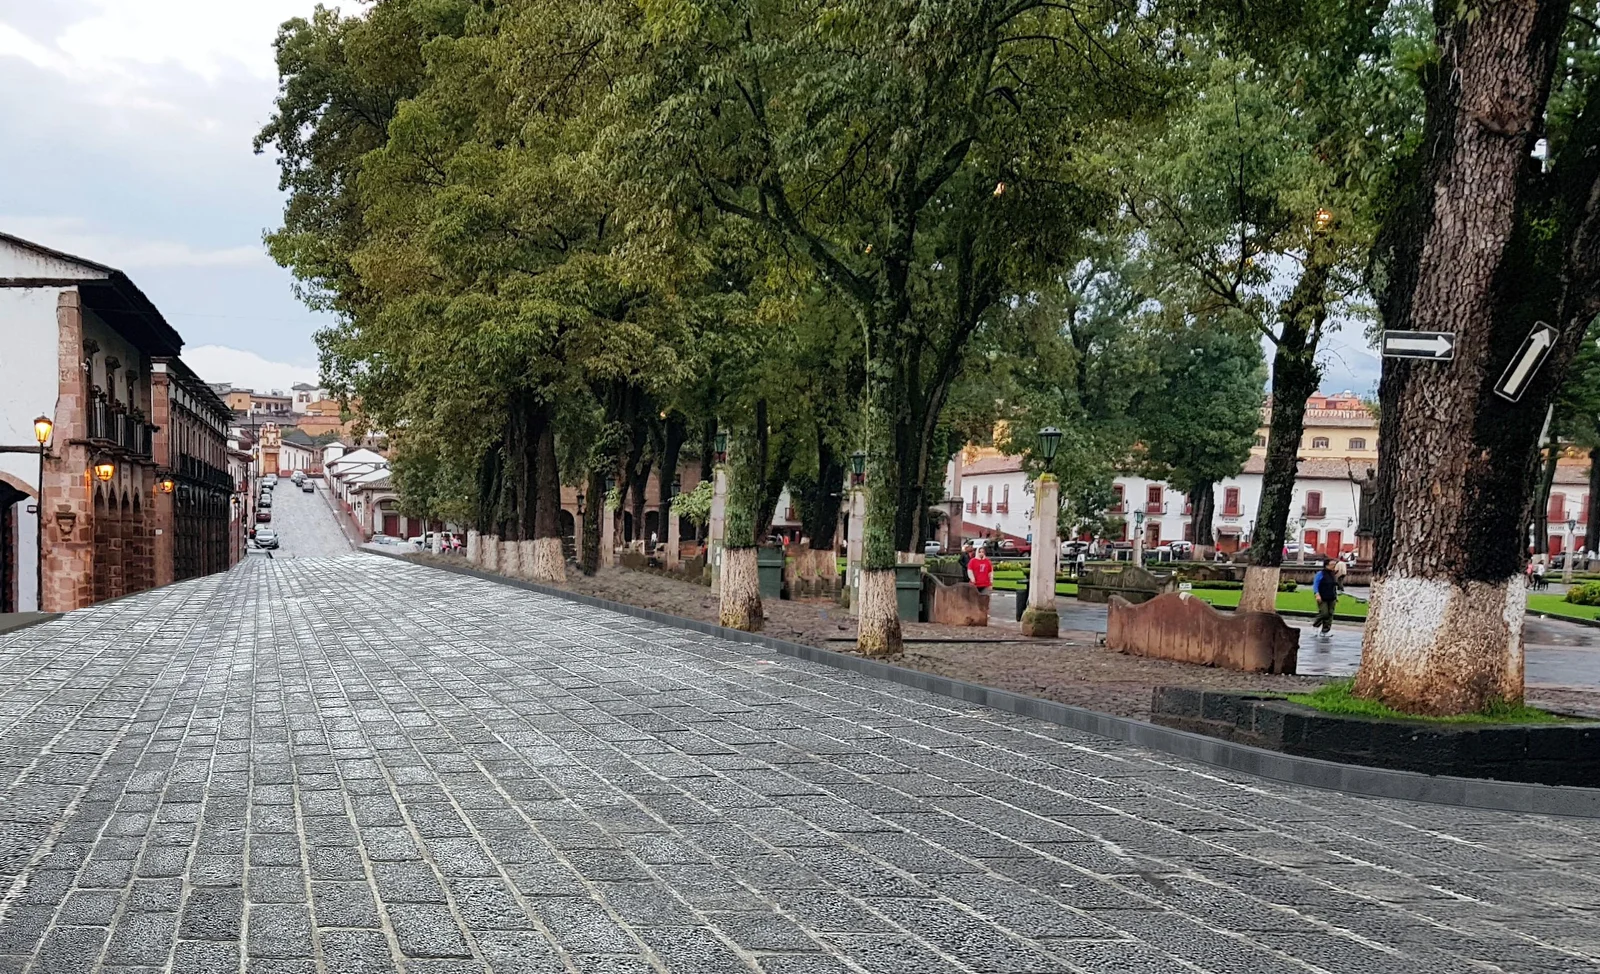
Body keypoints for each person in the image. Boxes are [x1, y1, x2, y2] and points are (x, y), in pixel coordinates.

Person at [1312, 563, 1338, 634]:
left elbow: (1333, 586)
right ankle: (1316, 625)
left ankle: (1325, 630)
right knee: (1324, 613)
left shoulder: (1333, 574)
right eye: (1332, 564)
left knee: (1330, 614)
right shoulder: (1320, 574)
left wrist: (1335, 596)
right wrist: (1317, 594)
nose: (1334, 566)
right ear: (1326, 565)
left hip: (1332, 597)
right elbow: (1316, 584)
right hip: (1322, 596)